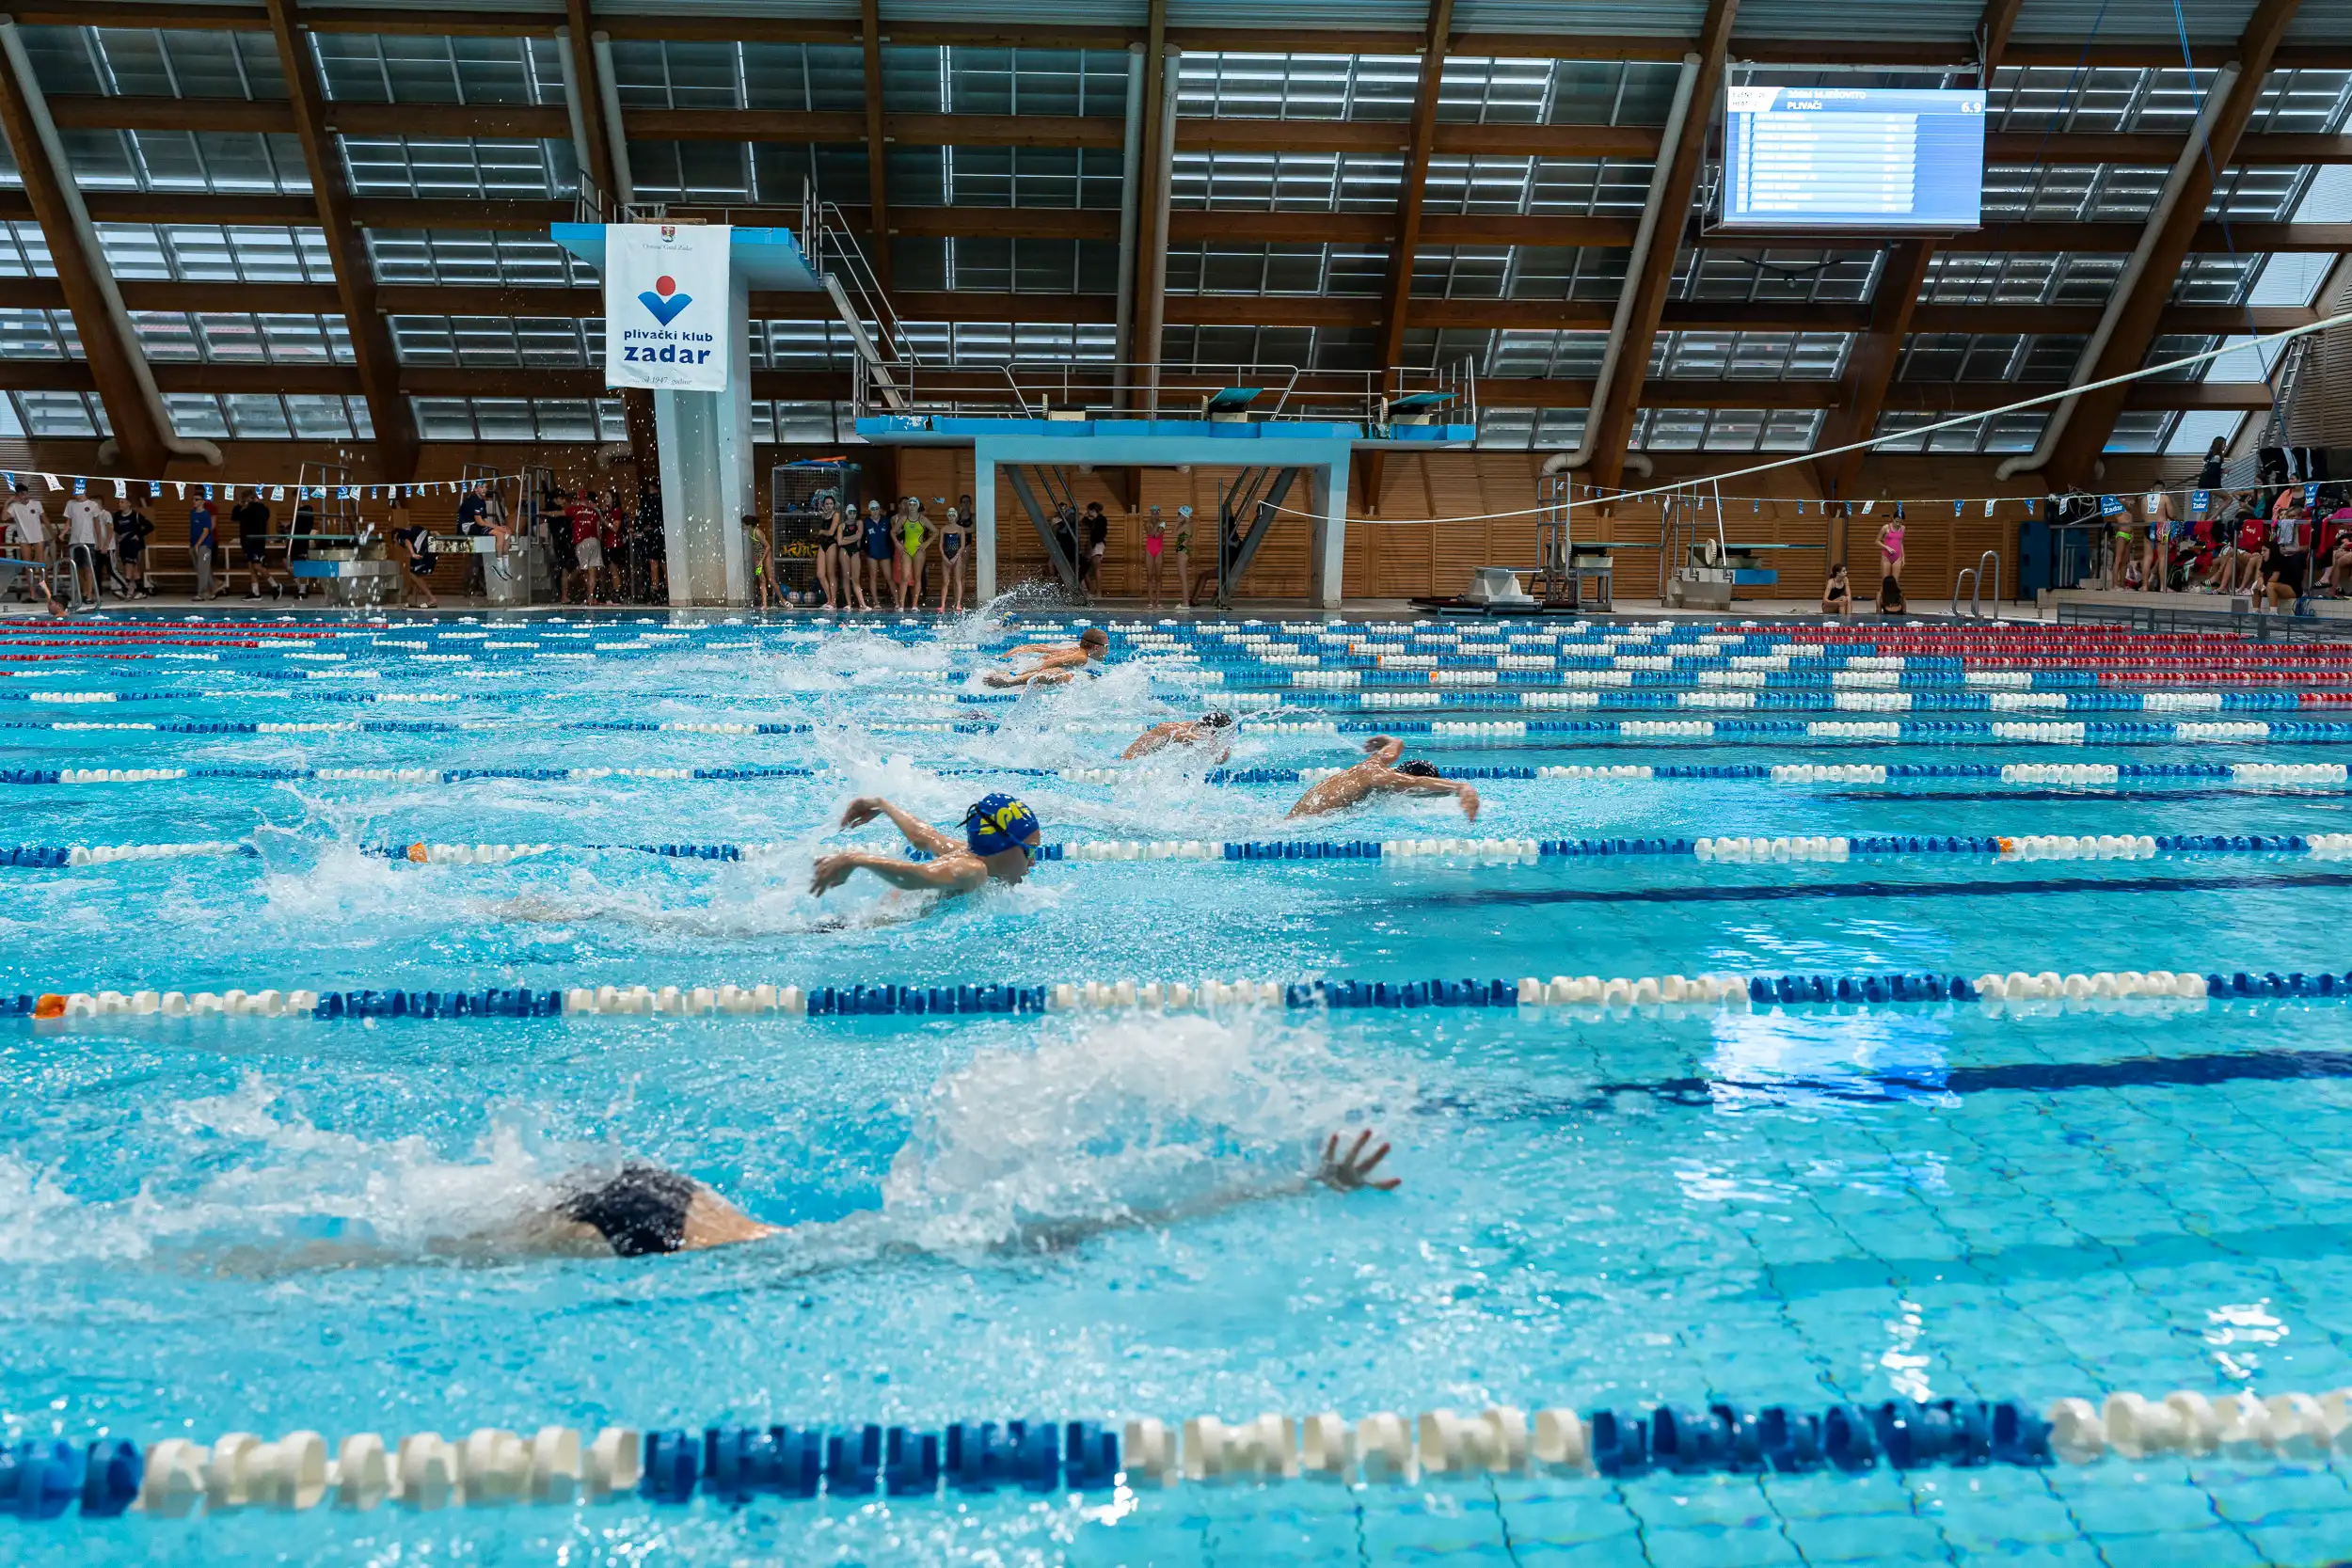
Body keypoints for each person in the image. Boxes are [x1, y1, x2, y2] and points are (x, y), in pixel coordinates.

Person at [429, 1127, 1401, 1264]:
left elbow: (1121, 1216)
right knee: (407, 1253)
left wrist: (1294, 1180)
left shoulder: (934, 1224)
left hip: (671, 1195)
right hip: (667, 1229)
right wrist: (1292, 1183)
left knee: (428, 1234)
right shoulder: (956, 1244)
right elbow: (1122, 1220)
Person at [810, 792, 1042, 900]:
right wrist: (857, 859)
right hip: (869, 929)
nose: (1033, 860)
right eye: (1030, 850)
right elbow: (918, 877)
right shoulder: (973, 871)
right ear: (1002, 845)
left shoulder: (964, 852)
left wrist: (882, 805)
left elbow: (923, 836)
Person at [1286, 736, 1480, 821]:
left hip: (1297, 815)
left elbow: (1396, 746)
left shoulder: (1376, 763)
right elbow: (1417, 782)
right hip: (1303, 824)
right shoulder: (1381, 777)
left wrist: (1391, 741)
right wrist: (1461, 787)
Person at [984, 626, 1109, 689]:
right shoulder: (1082, 658)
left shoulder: (1076, 647)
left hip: (1027, 660)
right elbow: (1051, 663)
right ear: (1096, 647)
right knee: (1061, 675)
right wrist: (1017, 677)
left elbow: (1042, 650)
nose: (1108, 651)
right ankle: (1009, 681)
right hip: (1033, 666)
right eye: (1106, 646)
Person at [1122, 710, 1235, 763]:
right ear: (1209, 729)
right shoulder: (1180, 732)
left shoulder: (1192, 726)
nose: (1214, 738)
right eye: (1215, 734)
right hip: (1128, 761)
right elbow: (1219, 759)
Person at [62, 487, 107, 606]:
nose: (75, 494)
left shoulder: (93, 505)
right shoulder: (70, 504)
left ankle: (89, 595)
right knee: (77, 569)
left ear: (84, 491)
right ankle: (84, 591)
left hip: (89, 540)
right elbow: (68, 522)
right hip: (74, 540)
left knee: (88, 568)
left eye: (78, 491)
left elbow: (97, 524)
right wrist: (63, 533)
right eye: (74, 491)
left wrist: (99, 541)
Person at [3, 483, 48, 601]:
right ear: (17, 495)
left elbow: (45, 519)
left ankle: (46, 592)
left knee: (41, 565)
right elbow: (3, 518)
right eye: (21, 494)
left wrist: (52, 533)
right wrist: (7, 503)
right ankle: (32, 594)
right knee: (28, 567)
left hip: (38, 537)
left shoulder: (36, 504)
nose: (24, 496)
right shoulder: (14, 506)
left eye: (25, 493)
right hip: (24, 539)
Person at [232, 490, 278, 599]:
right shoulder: (249, 510)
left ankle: (275, 585)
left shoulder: (257, 509)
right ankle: (255, 592)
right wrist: (240, 505)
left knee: (257, 566)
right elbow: (235, 517)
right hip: (248, 542)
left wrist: (249, 504)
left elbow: (238, 516)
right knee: (251, 567)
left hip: (256, 542)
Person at [115, 497, 153, 598]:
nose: (120, 504)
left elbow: (150, 527)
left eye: (122, 502)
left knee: (129, 562)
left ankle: (125, 587)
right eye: (119, 502)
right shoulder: (117, 516)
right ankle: (141, 590)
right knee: (134, 567)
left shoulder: (136, 515)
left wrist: (138, 534)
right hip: (123, 543)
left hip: (134, 543)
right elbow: (116, 529)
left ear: (129, 503)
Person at [896, 497, 929, 611]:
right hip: (907, 550)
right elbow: (892, 532)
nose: (912, 506)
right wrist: (898, 544)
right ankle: (901, 605)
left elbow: (936, 531)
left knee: (917, 577)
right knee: (904, 577)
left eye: (914, 504)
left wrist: (926, 543)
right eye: (910, 504)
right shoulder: (904, 518)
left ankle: (914, 605)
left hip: (918, 550)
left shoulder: (922, 519)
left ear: (918, 506)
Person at [936, 502, 969, 614]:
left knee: (958, 580)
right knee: (945, 581)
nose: (951, 517)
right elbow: (940, 545)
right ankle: (942, 605)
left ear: (956, 516)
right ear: (947, 516)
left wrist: (955, 557)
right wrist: (944, 557)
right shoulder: (944, 529)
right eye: (949, 515)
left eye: (953, 515)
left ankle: (958, 603)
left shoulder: (960, 529)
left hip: (957, 557)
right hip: (946, 556)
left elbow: (962, 546)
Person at [2140, 489, 2174, 593]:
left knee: (2147, 557)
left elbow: (2143, 515)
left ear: (2152, 489)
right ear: (2163, 490)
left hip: (2148, 526)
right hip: (2162, 526)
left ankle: (2145, 586)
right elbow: (2172, 515)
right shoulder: (2165, 498)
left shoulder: (2144, 499)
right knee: (2163, 557)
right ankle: (2163, 587)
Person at [860, 499, 892, 608]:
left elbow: (892, 536)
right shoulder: (866, 523)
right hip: (872, 553)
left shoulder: (886, 521)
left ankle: (898, 602)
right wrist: (862, 551)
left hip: (885, 552)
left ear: (880, 510)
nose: (875, 511)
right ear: (869, 510)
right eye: (872, 509)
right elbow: (861, 538)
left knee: (889, 577)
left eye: (877, 509)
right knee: (873, 576)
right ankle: (876, 602)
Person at [745, 512, 772, 610]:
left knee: (766, 580)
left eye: (743, 524)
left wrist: (761, 560)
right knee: (761, 580)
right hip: (757, 558)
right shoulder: (751, 531)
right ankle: (764, 604)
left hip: (762, 558)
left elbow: (768, 546)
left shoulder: (756, 532)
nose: (742, 526)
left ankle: (767, 603)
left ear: (747, 524)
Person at [1141, 507, 1168, 610]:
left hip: (1159, 551)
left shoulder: (1162, 523)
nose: (1155, 515)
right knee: (1149, 576)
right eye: (1153, 513)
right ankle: (1150, 601)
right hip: (1149, 550)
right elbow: (1151, 534)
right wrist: (1158, 524)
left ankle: (1158, 601)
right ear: (1150, 513)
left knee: (1158, 577)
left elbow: (1157, 535)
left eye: (1156, 513)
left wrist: (1156, 525)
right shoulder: (1148, 523)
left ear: (1159, 513)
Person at [1080, 500, 1108, 597]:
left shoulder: (1101, 520)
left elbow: (1098, 534)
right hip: (1095, 545)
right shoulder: (1096, 521)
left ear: (1092, 510)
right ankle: (1092, 591)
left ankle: (1098, 592)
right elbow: (1083, 521)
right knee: (1087, 571)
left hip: (1097, 544)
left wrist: (1092, 544)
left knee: (1096, 569)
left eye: (1089, 511)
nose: (1088, 514)